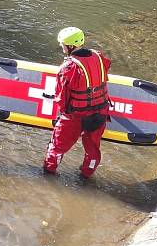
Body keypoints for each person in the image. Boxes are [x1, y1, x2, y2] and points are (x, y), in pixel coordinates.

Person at [43, 26, 111, 179]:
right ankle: (87, 176)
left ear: (70, 46)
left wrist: (62, 115)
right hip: (100, 112)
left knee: (57, 147)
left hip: (76, 115)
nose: (62, 48)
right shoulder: (99, 56)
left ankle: (48, 175)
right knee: (93, 149)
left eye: (63, 45)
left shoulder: (68, 67)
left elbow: (62, 97)